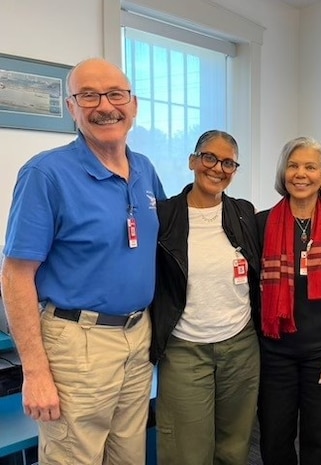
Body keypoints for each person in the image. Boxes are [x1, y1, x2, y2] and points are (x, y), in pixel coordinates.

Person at [1, 58, 165, 464]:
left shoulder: (144, 168)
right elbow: (16, 275)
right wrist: (35, 372)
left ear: (133, 104)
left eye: (115, 94)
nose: (104, 105)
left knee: (129, 455)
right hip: (77, 344)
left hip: (137, 335)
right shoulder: (46, 174)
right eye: (88, 95)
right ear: (71, 108)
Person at [150, 130, 261, 465]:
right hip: (185, 349)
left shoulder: (243, 213)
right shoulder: (164, 216)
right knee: (187, 450)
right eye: (209, 157)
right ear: (193, 161)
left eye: (228, 162)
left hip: (240, 346)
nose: (218, 168)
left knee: (234, 446)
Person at [257, 136, 321, 465]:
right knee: (274, 441)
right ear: (283, 173)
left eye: (310, 167)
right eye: (293, 165)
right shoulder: (262, 223)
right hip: (274, 354)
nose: (300, 174)